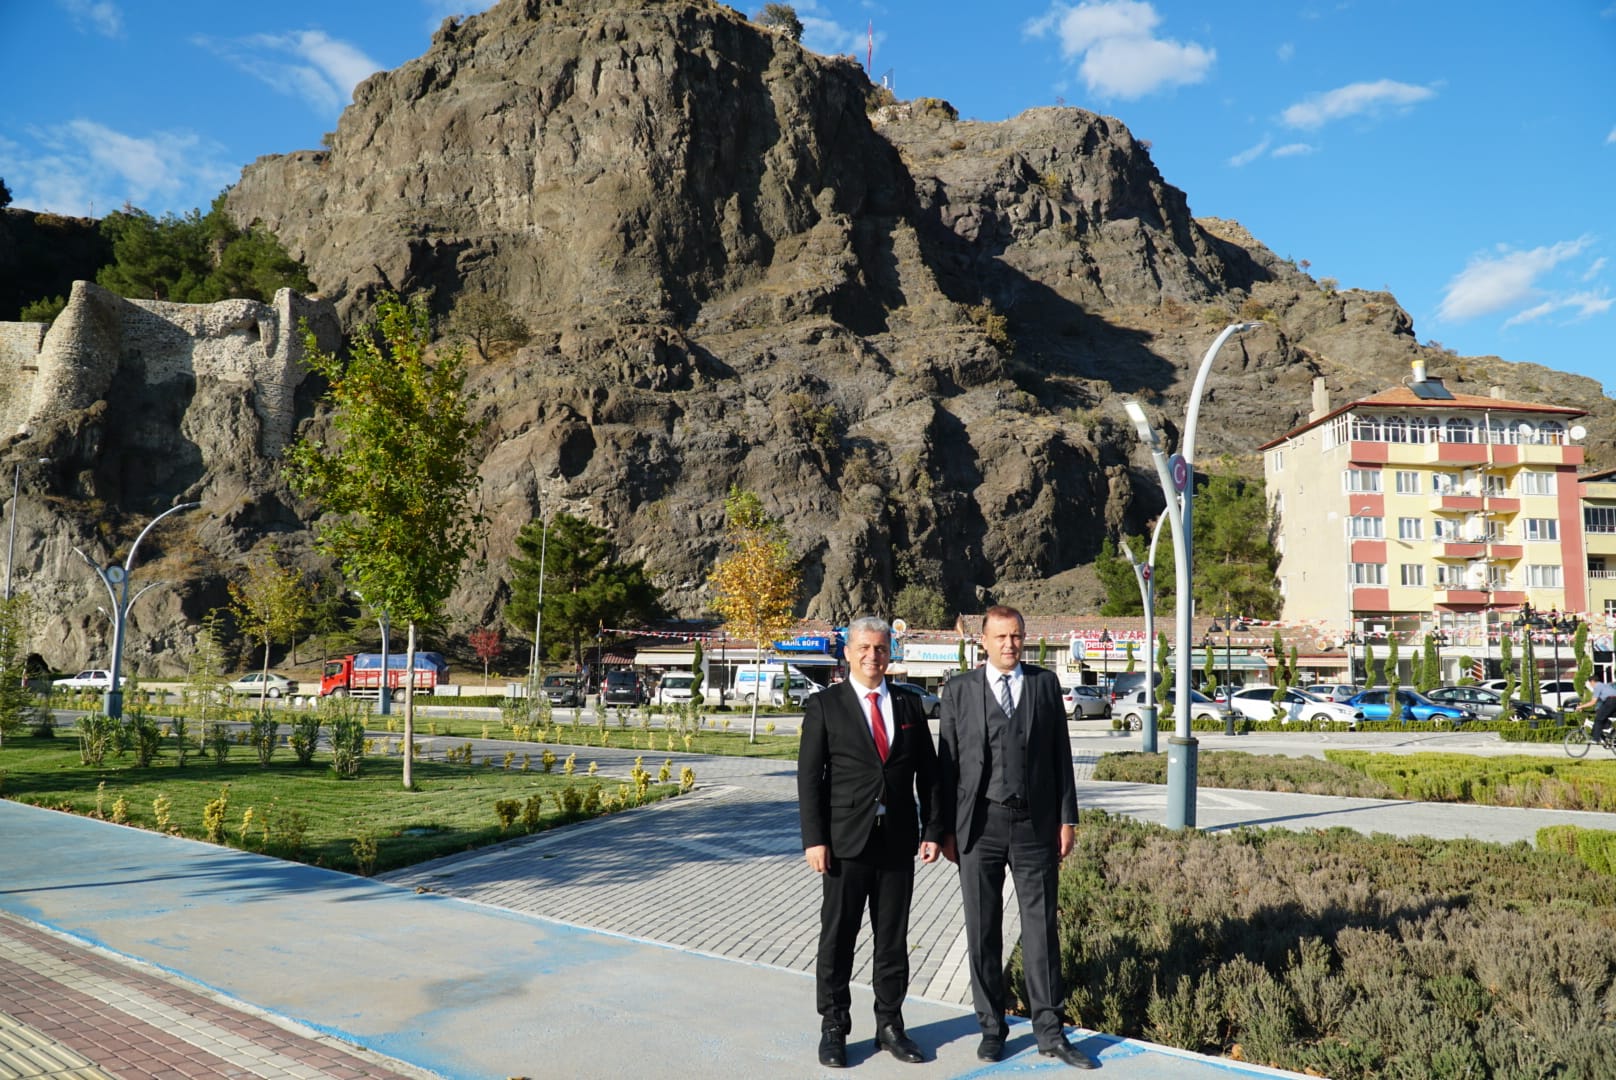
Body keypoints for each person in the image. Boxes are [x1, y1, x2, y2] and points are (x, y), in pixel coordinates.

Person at [937, 605, 1094, 1069]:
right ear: (984, 641)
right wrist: (942, 829)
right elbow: (946, 764)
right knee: (982, 930)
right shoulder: (959, 689)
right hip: (978, 825)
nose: (1010, 644)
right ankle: (992, 1027)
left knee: (1041, 929)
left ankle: (1050, 1031)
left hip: (1034, 825)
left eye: (1017, 636)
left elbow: (1061, 756)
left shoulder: (1044, 685)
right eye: (1001, 637)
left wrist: (1067, 819)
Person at [798, 615, 944, 1068]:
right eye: (863, 647)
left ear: (889, 652)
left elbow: (929, 776)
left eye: (880, 648)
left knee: (893, 941)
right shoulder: (826, 705)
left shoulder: (908, 705)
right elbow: (810, 779)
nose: (872, 656)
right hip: (845, 843)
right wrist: (815, 839)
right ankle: (833, 1027)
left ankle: (890, 1026)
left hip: (896, 842)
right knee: (838, 938)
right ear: (847, 653)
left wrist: (933, 830)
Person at [1574, 679, 1616, 744]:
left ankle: (1596, 739)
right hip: (1611, 704)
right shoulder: (1604, 687)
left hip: (1611, 702)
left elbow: (1593, 702)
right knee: (1601, 718)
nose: (1590, 686)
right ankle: (1609, 734)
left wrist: (1581, 707)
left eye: (1590, 684)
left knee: (1598, 719)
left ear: (1592, 681)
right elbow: (1597, 703)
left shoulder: (1598, 687)